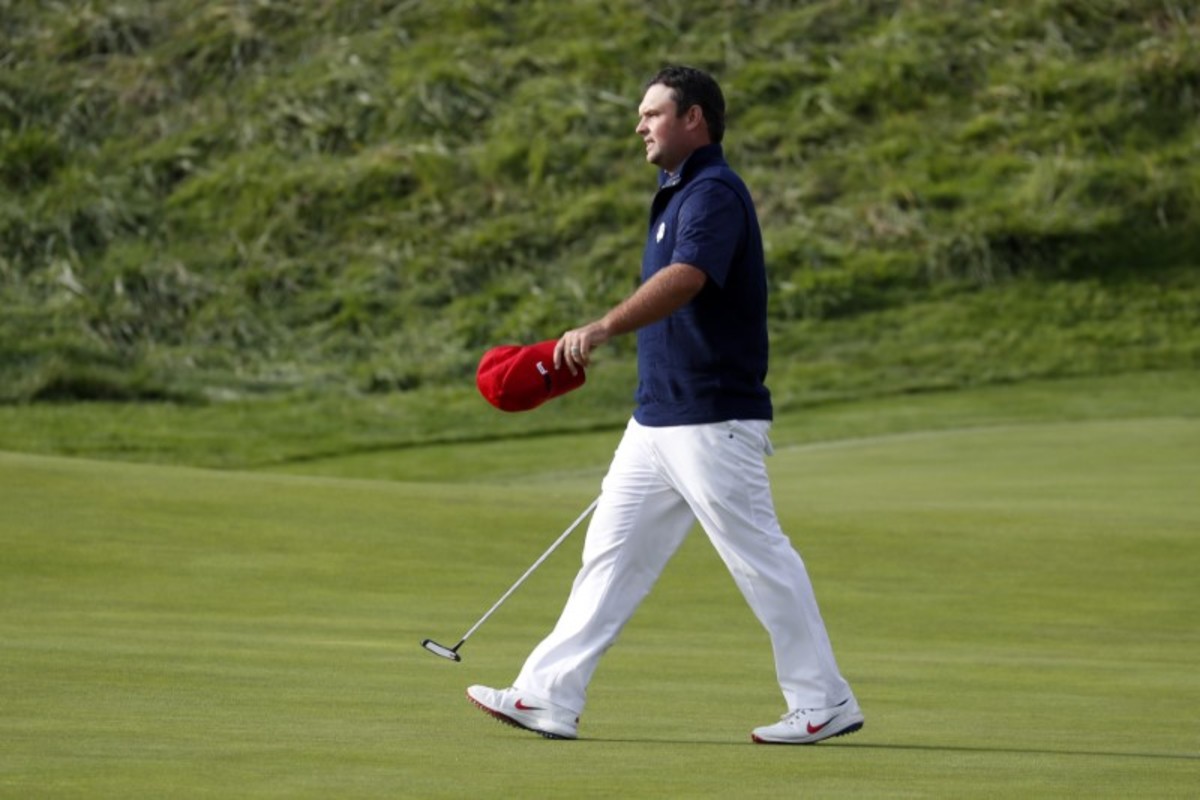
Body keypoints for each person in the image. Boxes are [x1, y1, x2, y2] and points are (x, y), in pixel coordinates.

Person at [466, 65, 863, 744]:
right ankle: (547, 696)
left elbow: (686, 278)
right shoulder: (676, 193)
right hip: (656, 420)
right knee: (610, 558)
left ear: (693, 118)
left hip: (712, 417)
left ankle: (824, 700)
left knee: (760, 560)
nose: (640, 126)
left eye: (653, 114)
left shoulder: (714, 192)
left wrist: (603, 327)